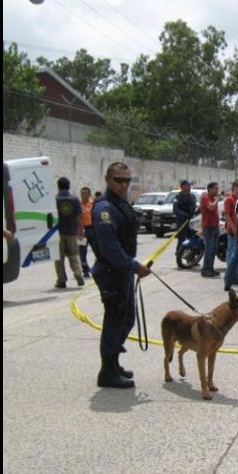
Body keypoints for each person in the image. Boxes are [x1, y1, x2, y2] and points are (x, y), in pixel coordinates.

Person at [90, 162, 151, 388]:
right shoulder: (104, 209)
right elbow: (110, 248)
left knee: (126, 320)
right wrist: (135, 266)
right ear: (107, 179)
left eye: (127, 180)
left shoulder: (120, 204)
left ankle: (113, 364)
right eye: (119, 180)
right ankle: (107, 372)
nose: (124, 185)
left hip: (122, 272)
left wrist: (131, 267)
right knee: (115, 321)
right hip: (111, 272)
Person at [54, 177, 85, 289]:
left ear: (58, 186)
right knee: (74, 255)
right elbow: (80, 216)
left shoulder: (55, 199)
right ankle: (78, 274)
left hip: (58, 233)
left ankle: (61, 280)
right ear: (69, 185)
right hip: (72, 232)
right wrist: (81, 230)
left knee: (59, 257)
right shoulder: (74, 199)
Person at [200, 182, 221, 277]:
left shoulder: (213, 198)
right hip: (208, 227)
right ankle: (206, 269)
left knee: (214, 249)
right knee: (209, 249)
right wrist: (217, 199)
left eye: (217, 188)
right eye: (215, 188)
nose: (217, 190)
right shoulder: (205, 197)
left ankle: (210, 268)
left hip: (215, 226)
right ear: (209, 189)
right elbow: (211, 207)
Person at [173, 179, 197, 254]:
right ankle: (179, 255)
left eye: (189, 185)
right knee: (182, 240)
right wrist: (185, 215)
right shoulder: (177, 197)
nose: (189, 187)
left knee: (191, 240)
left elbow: (194, 207)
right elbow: (175, 209)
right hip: (182, 222)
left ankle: (191, 258)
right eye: (187, 185)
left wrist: (194, 214)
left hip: (191, 222)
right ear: (182, 186)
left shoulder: (192, 196)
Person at [78, 186, 94, 277]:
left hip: (92, 228)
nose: (83, 195)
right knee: (82, 251)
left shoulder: (93, 203)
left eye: (85, 193)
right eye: (82, 193)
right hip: (82, 230)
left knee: (97, 249)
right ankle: (85, 270)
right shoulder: (78, 204)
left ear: (89, 194)